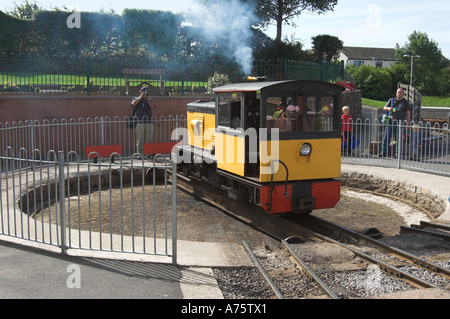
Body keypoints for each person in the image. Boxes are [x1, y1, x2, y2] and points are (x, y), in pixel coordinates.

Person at [380, 88, 411, 157]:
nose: (399, 94)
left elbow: (408, 113)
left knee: (399, 139)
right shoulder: (392, 100)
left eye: (400, 92)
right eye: (398, 92)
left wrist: (407, 124)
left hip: (400, 123)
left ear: (403, 94)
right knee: (386, 137)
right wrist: (388, 109)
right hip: (390, 121)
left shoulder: (405, 102)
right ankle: (383, 152)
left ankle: (397, 154)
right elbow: (384, 107)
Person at [131, 86, 157, 155]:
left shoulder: (149, 99)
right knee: (140, 140)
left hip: (148, 122)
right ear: (140, 92)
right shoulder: (136, 98)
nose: (145, 93)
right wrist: (141, 97)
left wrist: (147, 99)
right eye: (143, 91)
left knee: (149, 139)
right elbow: (133, 104)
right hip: (139, 122)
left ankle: (149, 153)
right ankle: (140, 154)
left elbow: (153, 107)